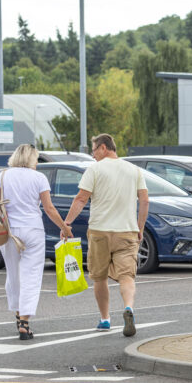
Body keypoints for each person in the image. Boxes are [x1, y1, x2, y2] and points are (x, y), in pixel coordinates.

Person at [64, 134, 149, 337]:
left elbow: (81, 198)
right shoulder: (134, 170)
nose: (93, 155)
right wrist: (140, 227)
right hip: (127, 231)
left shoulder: (94, 169)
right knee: (127, 276)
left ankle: (104, 319)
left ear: (103, 148)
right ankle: (129, 307)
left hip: (99, 231)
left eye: (94, 150)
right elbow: (144, 201)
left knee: (99, 277)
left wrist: (67, 223)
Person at [0, 144, 72, 340]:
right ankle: (25, 322)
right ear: (31, 159)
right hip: (33, 230)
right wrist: (64, 227)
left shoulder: (3, 175)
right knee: (31, 276)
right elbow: (49, 208)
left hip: (9, 231)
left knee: (14, 275)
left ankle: (19, 316)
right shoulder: (39, 178)